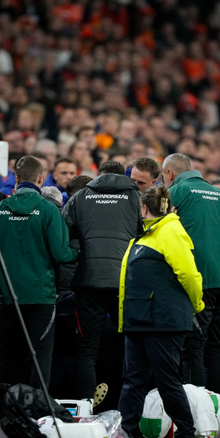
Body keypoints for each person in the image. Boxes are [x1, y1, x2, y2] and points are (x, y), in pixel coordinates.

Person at [117, 185, 206, 438]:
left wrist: (197, 304)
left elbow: (189, 275)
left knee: (166, 379)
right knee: (134, 380)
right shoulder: (148, 235)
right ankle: (126, 433)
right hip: (140, 320)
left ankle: (188, 435)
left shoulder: (169, 231)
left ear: (144, 209)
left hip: (161, 321)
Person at [0, 155, 78, 388]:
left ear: (16, 178)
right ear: (41, 178)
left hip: (7, 297)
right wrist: (79, 253)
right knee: (40, 356)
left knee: (4, 354)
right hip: (41, 297)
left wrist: (0, 283)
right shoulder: (48, 210)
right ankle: (36, 415)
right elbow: (61, 254)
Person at [161, 153, 220, 394]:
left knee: (193, 346)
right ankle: (218, 411)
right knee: (216, 348)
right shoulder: (219, 194)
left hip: (199, 278)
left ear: (169, 173)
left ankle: (196, 413)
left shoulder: (176, 191)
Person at [63, 160, 141, 402]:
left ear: (99, 175)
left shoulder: (80, 198)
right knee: (131, 347)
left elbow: (64, 234)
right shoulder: (137, 198)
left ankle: (86, 412)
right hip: (125, 282)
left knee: (87, 351)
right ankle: (127, 409)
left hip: (89, 281)